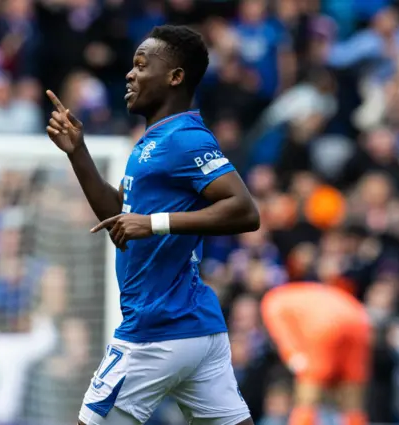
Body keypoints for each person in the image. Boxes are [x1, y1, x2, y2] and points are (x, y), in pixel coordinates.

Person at [45, 25, 259, 425]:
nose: (130, 74)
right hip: (196, 326)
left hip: (155, 329)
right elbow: (121, 220)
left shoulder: (185, 139)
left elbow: (245, 211)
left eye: (142, 66)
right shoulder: (152, 142)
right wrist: (78, 154)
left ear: (176, 77)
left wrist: (155, 223)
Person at [260, 282, 373, 425]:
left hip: (323, 324)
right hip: (359, 319)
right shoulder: (301, 293)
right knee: (353, 400)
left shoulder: (270, 302)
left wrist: (297, 362)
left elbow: (284, 336)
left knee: (308, 398)